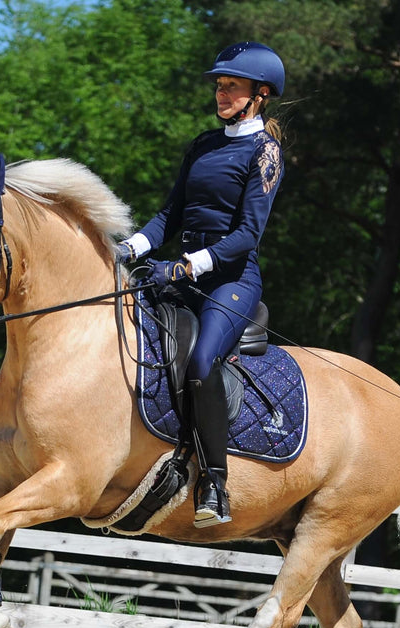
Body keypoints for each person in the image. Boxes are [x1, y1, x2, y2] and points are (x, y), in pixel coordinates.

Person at [118, 42, 286, 529]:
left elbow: (248, 235)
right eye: (219, 85)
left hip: (230, 281)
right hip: (180, 270)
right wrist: (130, 248)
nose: (222, 92)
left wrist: (189, 266)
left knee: (200, 360)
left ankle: (215, 481)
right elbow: (169, 214)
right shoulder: (203, 144)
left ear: (260, 94)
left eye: (232, 86)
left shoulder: (265, 151)